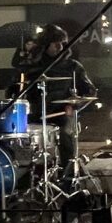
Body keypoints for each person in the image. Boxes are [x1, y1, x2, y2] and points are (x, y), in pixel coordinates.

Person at [23, 24, 95, 173]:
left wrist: (73, 106)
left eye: (63, 43)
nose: (60, 47)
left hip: (62, 115)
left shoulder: (73, 66)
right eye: (56, 43)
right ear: (46, 45)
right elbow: (16, 89)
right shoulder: (32, 67)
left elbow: (90, 92)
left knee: (64, 133)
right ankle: (31, 176)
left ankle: (67, 176)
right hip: (37, 115)